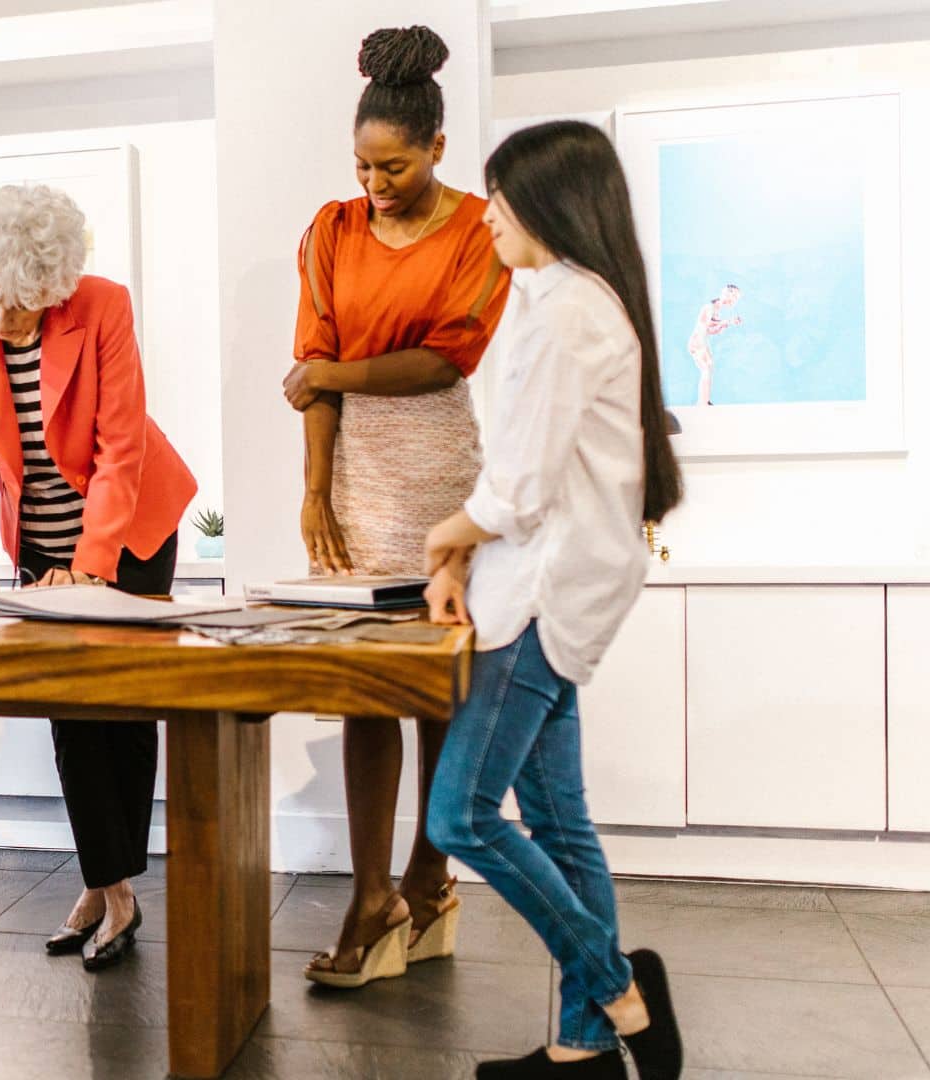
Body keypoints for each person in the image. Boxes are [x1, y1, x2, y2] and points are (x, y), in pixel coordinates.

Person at [422, 120, 686, 1080]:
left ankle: (619, 990)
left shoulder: (572, 308)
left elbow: (520, 484)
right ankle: (581, 1050)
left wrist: (447, 538)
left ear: (550, 204)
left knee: (459, 819)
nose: (486, 213)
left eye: (501, 196)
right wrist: (463, 556)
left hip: (541, 596)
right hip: (544, 588)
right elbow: (525, 470)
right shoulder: (565, 300)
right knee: (558, 816)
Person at [282, 25, 511, 989]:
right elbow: (312, 378)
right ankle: (371, 895)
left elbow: (444, 361)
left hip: (441, 470)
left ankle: (430, 878)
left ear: (439, 150)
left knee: (436, 690)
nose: (377, 184)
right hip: (357, 477)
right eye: (364, 166)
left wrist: (326, 370)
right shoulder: (332, 230)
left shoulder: (475, 229)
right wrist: (312, 488)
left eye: (397, 166)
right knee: (359, 687)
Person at [0, 184, 197, 972]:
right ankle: (108, 886)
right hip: (37, 544)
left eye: (19, 306)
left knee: (121, 706)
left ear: (52, 292)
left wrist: (89, 572)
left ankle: (108, 887)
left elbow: (121, 452)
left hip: (131, 533)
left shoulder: (102, 307)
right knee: (66, 710)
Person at [687, 284, 742, 406]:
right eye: (735, 296)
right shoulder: (709, 307)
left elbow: (711, 330)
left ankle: (704, 400)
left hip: (702, 342)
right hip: (698, 342)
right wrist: (727, 321)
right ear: (728, 293)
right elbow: (709, 324)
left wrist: (725, 324)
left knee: (708, 369)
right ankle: (702, 402)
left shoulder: (716, 311)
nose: (735, 301)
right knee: (706, 369)